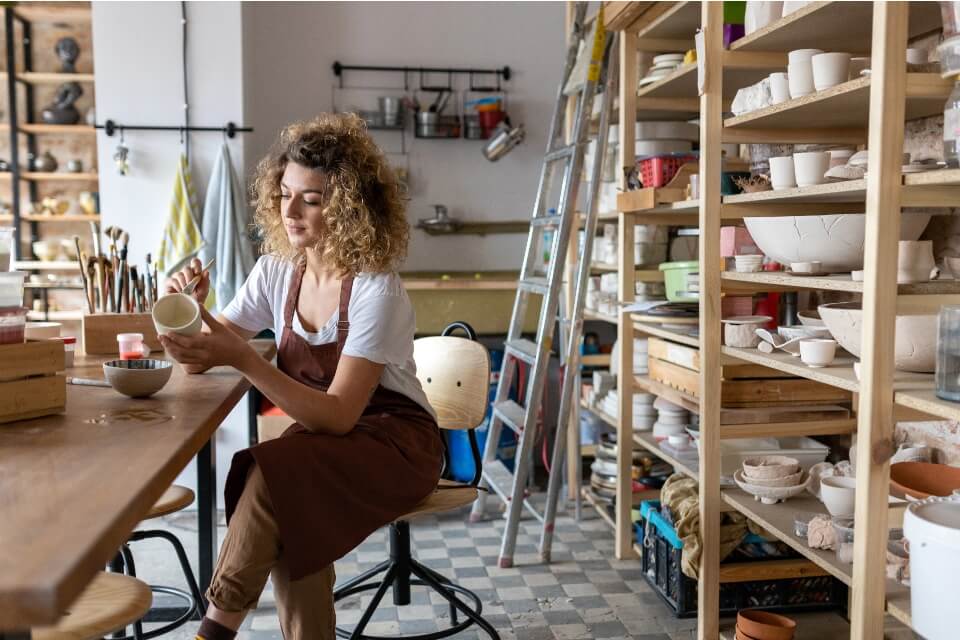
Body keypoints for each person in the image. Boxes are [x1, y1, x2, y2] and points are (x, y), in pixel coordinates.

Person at [161, 113, 443, 640]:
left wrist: (246, 359)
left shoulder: (374, 289)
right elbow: (197, 356)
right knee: (289, 502)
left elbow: (338, 415)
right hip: (324, 438)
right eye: (285, 193)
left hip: (396, 442)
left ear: (347, 207)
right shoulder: (276, 271)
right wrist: (190, 310)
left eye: (310, 199)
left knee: (274, 477)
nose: (289, 211)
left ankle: (211, 632)